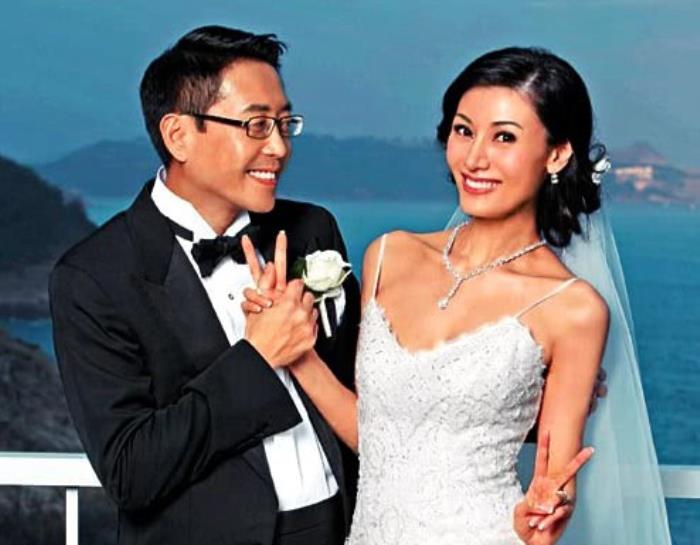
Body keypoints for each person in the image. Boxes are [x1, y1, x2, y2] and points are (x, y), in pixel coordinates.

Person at [242, 47, 627, 545]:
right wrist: (297, 351)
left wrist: (546, 512)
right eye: (464, 131)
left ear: (557, 154)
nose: (475, 158)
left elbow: (557, 479)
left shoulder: (574, 309)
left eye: (504, 137)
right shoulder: (389, 256)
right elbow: (376, 439)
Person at [49, 26, 360, 545]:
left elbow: (361, 390)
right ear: (178, 135)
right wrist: (257, 358)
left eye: (285, 123)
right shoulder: (93, 277)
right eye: (257, 125)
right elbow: (131, 472)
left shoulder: (312, 230)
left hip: (343, 527)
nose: (279, 147)